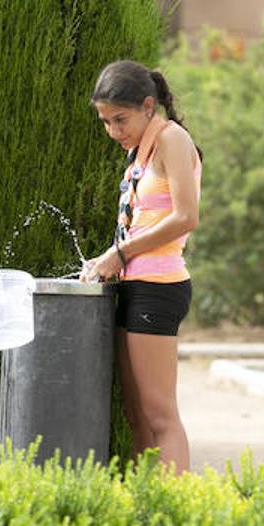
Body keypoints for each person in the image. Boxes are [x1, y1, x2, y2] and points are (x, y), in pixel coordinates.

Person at [81, 60, 201, 473]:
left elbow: (186, 217)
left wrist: (122, 253)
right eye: (105, 122)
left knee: (160, 416)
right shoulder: (139, 152)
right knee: (136, 417)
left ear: (149, 106)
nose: (114, 131)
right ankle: (143, 508)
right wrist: (110, 259)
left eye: (121, 119)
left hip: (159, 287)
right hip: (133, 287)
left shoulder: (172, 140)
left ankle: (175, 511)